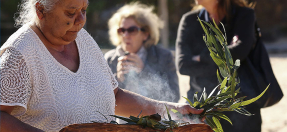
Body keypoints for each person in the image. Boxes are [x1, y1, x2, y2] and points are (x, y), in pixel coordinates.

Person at [0, 0, 203, 132]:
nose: (80, 21)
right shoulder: (20, 54)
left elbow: (114, 96)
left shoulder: (82, 39)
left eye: (84, 10)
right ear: (41, 10)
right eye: (71, 13)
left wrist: (170, 109)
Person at [175, 0, 261, 132]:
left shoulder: (244, 14)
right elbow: (183, 65)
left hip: (241, 106)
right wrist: (223, 60)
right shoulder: (190, 19)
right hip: (201, 109)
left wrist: (200, 57)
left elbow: (240, 51)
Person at [104, 2, 180, 103]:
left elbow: (174, 96)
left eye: (132, 30)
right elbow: (102, 100)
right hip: (120, 118)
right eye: (122, 30)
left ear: (146, 34)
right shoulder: (109, 58)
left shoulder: (164, 56)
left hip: (153, 118)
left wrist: (144, 71)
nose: (126, 35)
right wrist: (117, 80)